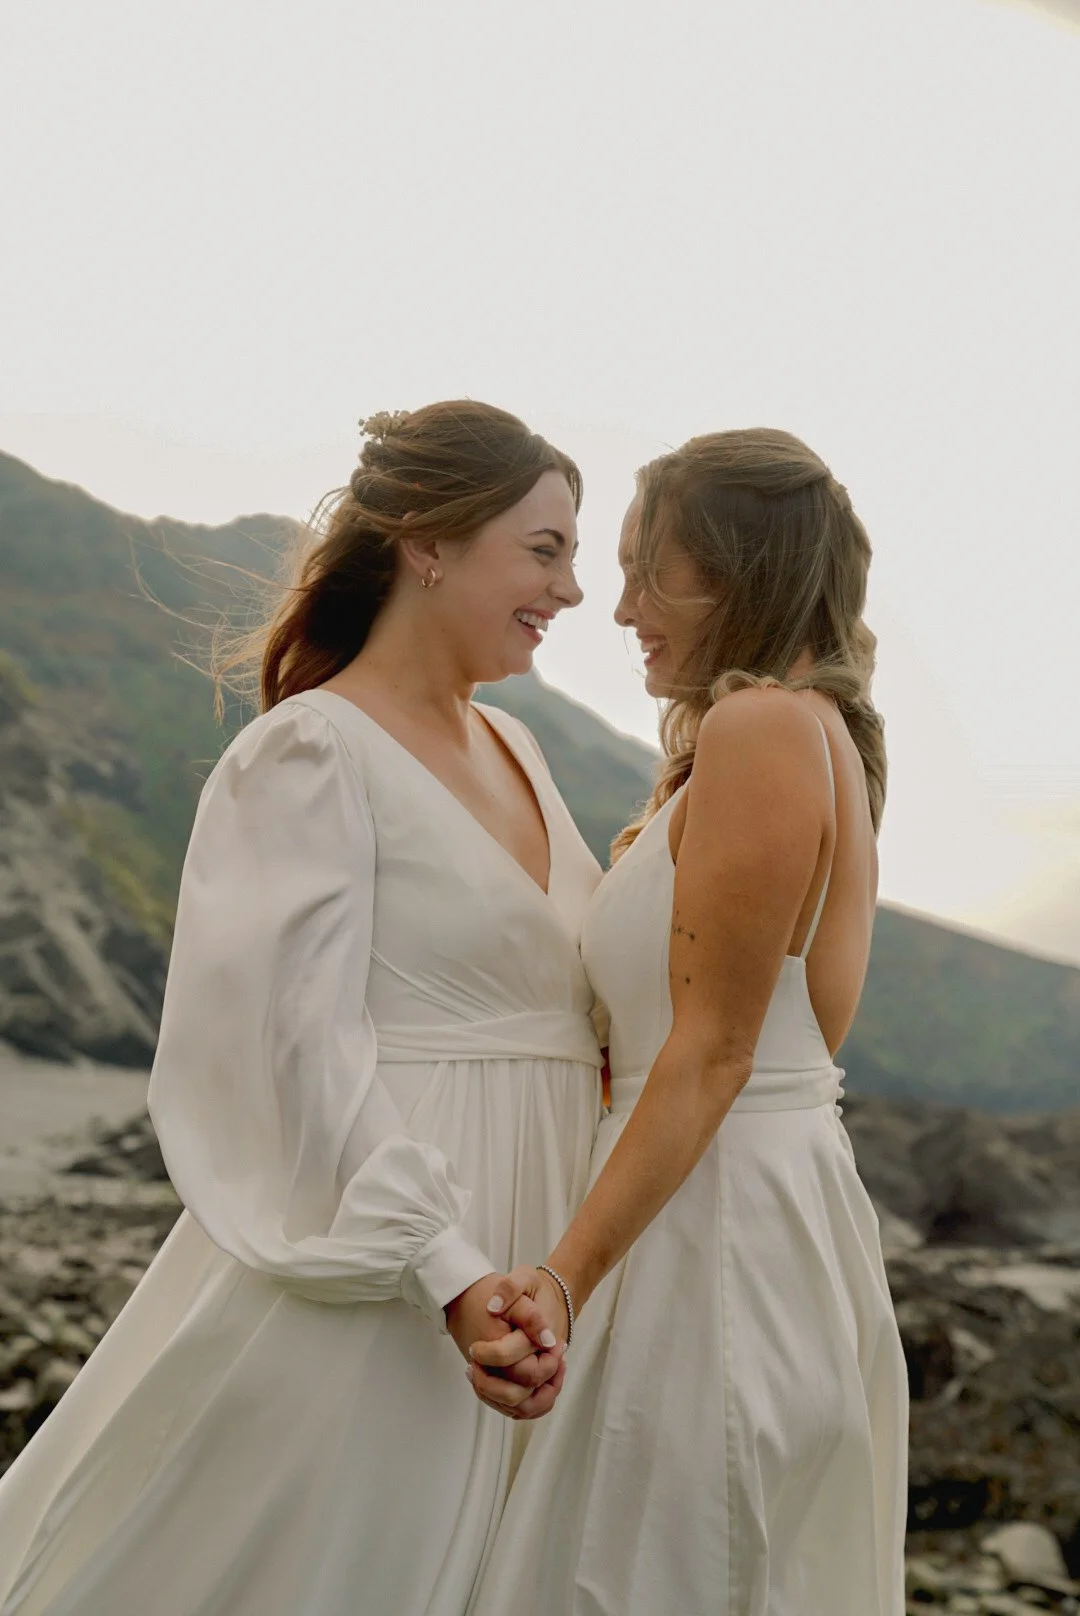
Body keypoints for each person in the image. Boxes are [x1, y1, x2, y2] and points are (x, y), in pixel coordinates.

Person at [0, 401, 603, 1616]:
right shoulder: (312, 750)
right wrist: (446, 1270)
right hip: (403, 1260)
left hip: (545, 1254)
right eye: (545, 548)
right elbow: (302, 1048)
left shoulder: (521, 749)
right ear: (428, 539)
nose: (574, 588)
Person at [468, 429, 909, 1615]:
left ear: (738, 570)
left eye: (647, 570)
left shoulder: (760, 727)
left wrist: (560, 1277)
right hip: (757, 1201)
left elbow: (716, 1051)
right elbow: (807, 1033)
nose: (618, 610)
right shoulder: (820, 739)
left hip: (709, 1226)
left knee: (643, 1572)